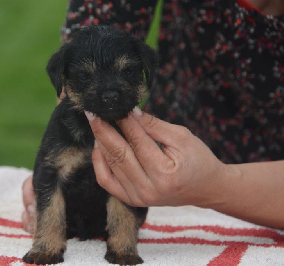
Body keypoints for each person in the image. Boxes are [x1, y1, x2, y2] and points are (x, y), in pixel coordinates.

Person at [22, 0, 284, 233]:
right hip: (164, 151)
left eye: (127, 73)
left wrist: (217, 185)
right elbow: (94, 39)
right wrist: (60, 163)